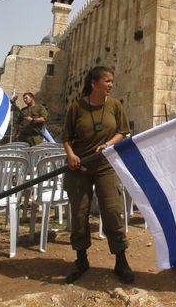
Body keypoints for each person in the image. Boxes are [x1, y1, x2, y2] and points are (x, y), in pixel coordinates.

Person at [62, 66, 133, 284]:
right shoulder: (76, 107)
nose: (111, 85)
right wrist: (71, 155)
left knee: (112, 211)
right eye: (107, 81)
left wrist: (108, 144)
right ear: (94, 83)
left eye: (112, 81)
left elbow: (124, 131)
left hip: (105, 166)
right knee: (80, 214)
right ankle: (81, 259)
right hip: (80, 167)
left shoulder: (115, 105)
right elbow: (66, 137)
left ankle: (121, 260)